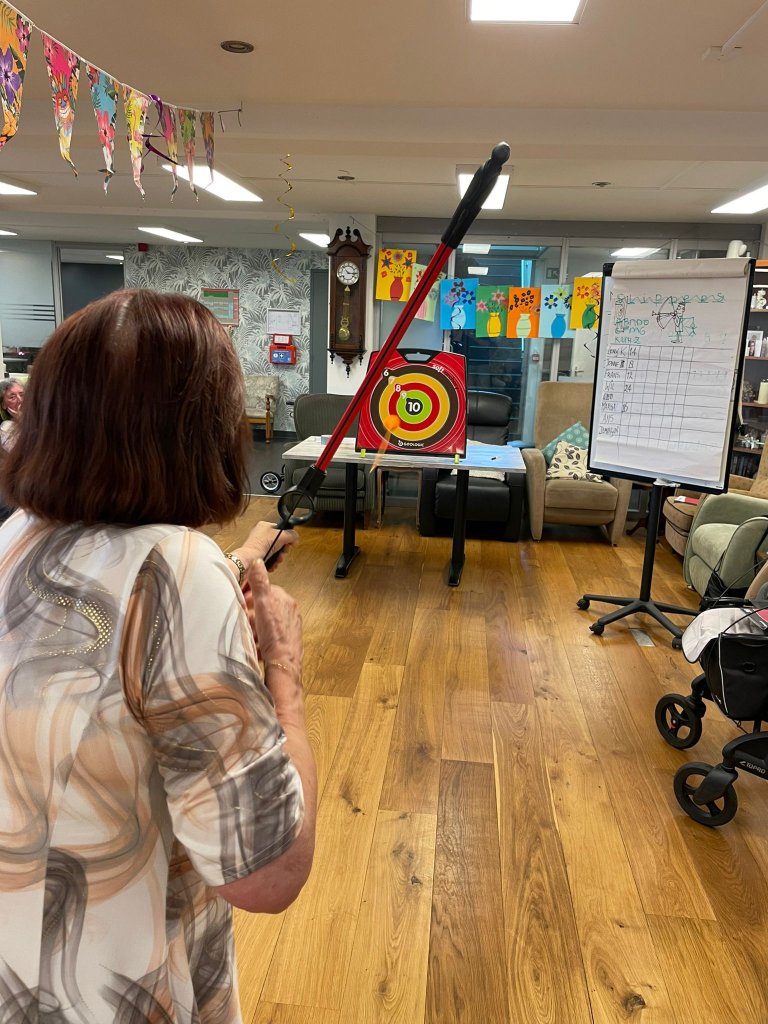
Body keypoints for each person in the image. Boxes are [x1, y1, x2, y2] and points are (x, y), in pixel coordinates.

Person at [0, 290, 316, 1023]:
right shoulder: (178, 571)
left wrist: (230, 566)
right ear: (204, 428)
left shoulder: (16, 537)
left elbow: (94, 631)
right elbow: (268, 875)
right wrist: (284, 675)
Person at [0, 376, 23, 453]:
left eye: (22, 395)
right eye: (12, 397)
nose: (20, 400)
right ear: (4, 405)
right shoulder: (6, 427)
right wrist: (22, 421)